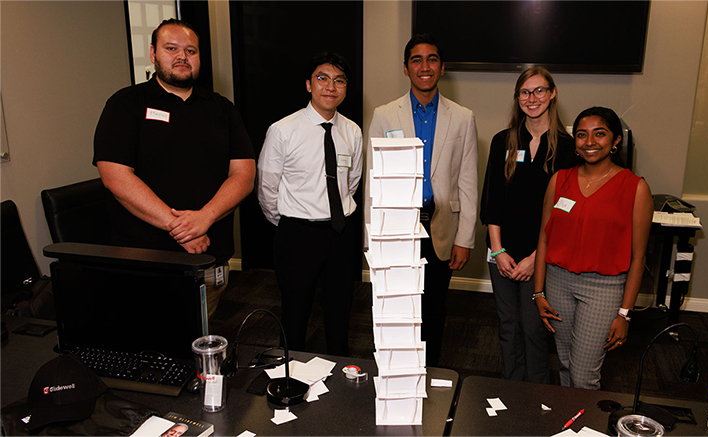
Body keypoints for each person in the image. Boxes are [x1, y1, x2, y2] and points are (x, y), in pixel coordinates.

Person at [93, 19, 256, 318]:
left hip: (210, 256)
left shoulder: (222, 109)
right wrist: (183, 229)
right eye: (172, 48)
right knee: (148, 344)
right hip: (146, 259)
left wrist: (204, 218)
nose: (182, 56)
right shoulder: (126, 103)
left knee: (202, 339)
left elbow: (244, 175)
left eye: (190, 50)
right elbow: (115, 176)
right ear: (154, 54)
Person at [368, 34, 478, 366]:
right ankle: (398, 374)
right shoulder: (385, 115)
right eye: (417, 60)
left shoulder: (463, 118)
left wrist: (465, 238)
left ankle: (426, 373)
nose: (424, 66)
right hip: (398, 229)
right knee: (398, 309)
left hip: (442, 227)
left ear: (441, 67)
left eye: (432, 59)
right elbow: (375, 181)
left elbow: (468, 180)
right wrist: (373, 239)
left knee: (433, 310)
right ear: (406, 69)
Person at [533, 106, 653, 389]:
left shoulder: (635, 188)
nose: (589, 142)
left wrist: (625, 313)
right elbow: (543, 238)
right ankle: (567, 426)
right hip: (558, 283)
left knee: (584, 374)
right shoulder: (559, 180)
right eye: (581, 135)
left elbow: (638, 258)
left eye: (600, 134)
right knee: (564, 364)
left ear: (616, 141)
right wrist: (538, 292)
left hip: (603, 289)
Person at [257, 52, 362, 356]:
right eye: (322, 78)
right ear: (308, 85)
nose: (331, 86)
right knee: (295, 313)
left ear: (345, 88)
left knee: (340, 312)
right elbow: (267, 188)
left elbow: (350, 183)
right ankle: (290, 377)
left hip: (341, 234)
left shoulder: (352, 131)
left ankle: (340, 379)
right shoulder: (283, 130)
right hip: (298, 236)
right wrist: (290, 221)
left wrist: (336, 216)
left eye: (339, 80)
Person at [480, 67, 574, 383]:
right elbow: (491, 201)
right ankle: (511, 388)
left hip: (542, 255)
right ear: (517, 97)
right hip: (502, 251)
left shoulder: (567, 146)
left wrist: (537, 257)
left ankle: (537, 394)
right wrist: (498, 250)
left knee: (534, 327)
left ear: (552, 93)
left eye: (538, 91)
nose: (531, 98)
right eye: (524, 92)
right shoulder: (502, 141)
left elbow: (565, 211)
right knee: (507, 324)